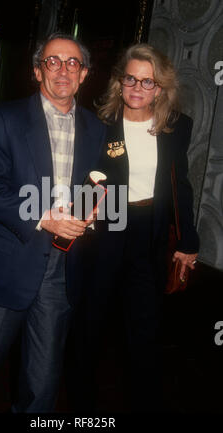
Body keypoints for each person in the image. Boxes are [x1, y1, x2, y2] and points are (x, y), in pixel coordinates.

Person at [0, 32, 106, 413]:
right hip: (7, 263)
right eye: (52, 61)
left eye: (72, 63)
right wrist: (44, 218)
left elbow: (97, 185)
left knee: (42, 382)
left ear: (83, 74)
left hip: (63, 270)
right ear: (37, 71)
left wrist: (92, 214)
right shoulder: (4, 118)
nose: (62, 70)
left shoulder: (97, 129)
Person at [65, 43, 199, 412]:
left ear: (160, 88)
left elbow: (179, 184)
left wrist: (188, 238)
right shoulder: (98, 123)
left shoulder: (176, 127)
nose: (138, 88)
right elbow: (79, 179)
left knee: (144, 330)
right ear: (119, 81)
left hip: (149, 233)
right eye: (131, 79)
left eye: (148, 82)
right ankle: (81, 407)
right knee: (90, 325)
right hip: (106, 230)